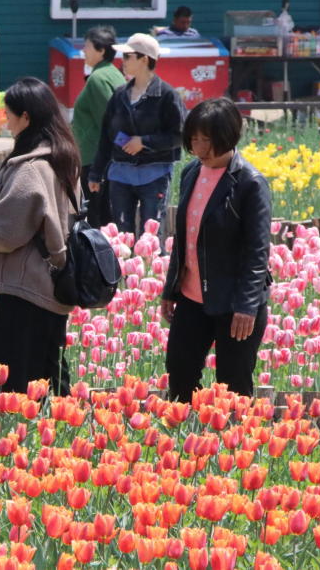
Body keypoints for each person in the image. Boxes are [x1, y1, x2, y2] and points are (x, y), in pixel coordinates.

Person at [0, 77, 80, 397]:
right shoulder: (63, 158)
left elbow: (5, 233)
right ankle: (54, 442)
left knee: (13, 387)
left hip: (24, 289)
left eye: (9, 114)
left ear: (26, 117)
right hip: (54, 286)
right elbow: (43, 211)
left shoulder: (30, 169)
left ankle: (12, 444)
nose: (6, 120)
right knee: (49, 379)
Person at [161, 98, 272, 402]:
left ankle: (234, 446)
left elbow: (257, 251)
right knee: (180, 372)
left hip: (234, 302)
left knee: (232, 384)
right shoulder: (191, 173)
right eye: (193, 139)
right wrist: (171, 289)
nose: (198, 148)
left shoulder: (250, 183)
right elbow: (184, 238)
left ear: (228, 136)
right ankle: (186, 443)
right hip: (192, 297)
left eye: (206, 140)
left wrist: (247, 306)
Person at [88, 33, 184, 243]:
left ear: (144, 59)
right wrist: (96, 173)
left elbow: (179, 135)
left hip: (155, 174)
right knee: (122, 237)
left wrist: (144, 142)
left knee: (151, 238)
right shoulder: (119, 95)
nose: (122, 61)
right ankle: (124, 276)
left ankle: (152, 276)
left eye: (128, 56)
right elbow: (107, 135)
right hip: (120, 174)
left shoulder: (168, 95)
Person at [72, 26, 125, 225]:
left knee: (96, 218)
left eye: (87, 46)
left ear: (101, 50)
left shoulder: (97, 79)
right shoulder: (113, 73)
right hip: (108, 159)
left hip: (96, 159)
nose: (83, 51)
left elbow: (110, 121)